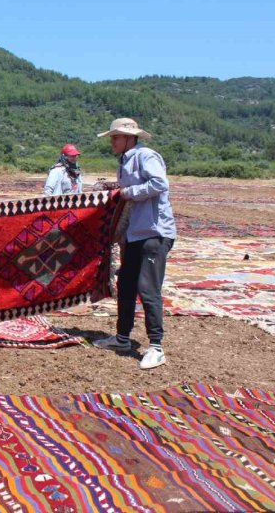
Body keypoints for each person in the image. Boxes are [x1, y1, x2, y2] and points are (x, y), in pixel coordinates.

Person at [92, 117, 176, 370]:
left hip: (154, 232)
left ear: (129, 137)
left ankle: (156, 347)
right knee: (126, 283)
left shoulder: (146, 155)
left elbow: (160, 184)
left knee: (147, 287)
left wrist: (127, 193)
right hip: (135, 233)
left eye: (116, 137)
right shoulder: (125, 162)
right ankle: (122, 338)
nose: (112, 142)